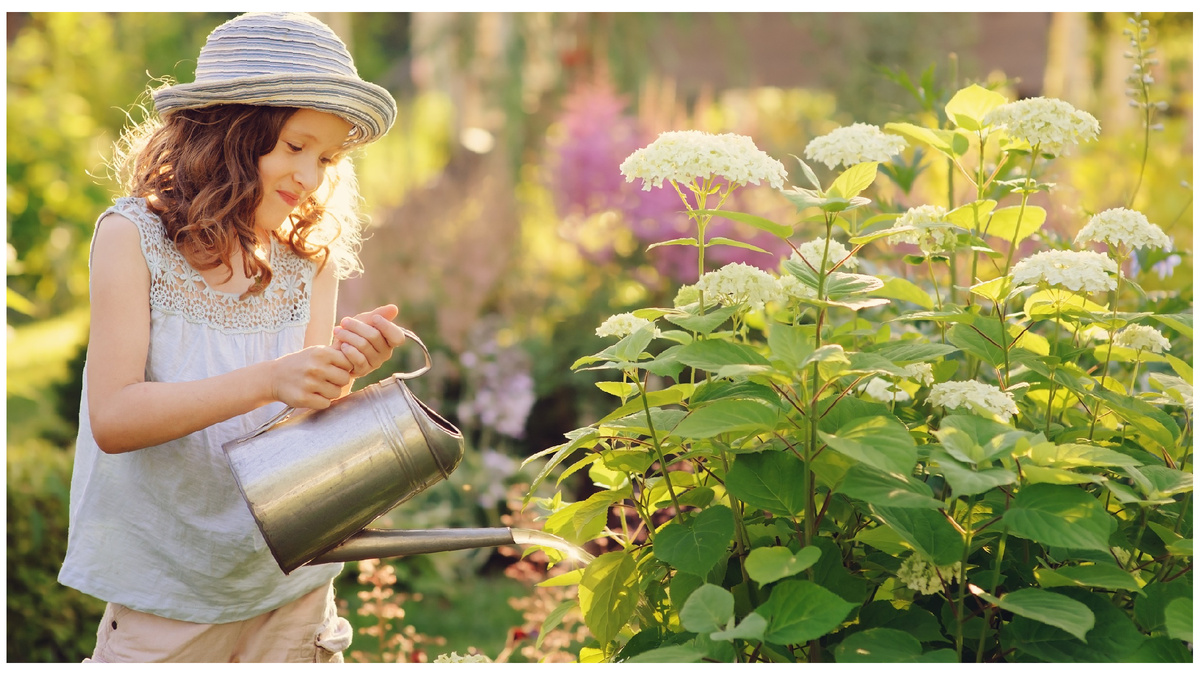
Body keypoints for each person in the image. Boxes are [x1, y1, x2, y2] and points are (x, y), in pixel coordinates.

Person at [58, 12, 408, 662]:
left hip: (290, 586)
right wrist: (269, 379)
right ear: (229, 131)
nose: (308, 175)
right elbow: (114, 416)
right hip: (170, 589)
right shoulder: (134, 239)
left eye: (326, 158)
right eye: (294, 145)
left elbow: (299, 432)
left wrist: (338, 374)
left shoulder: (311, 260)